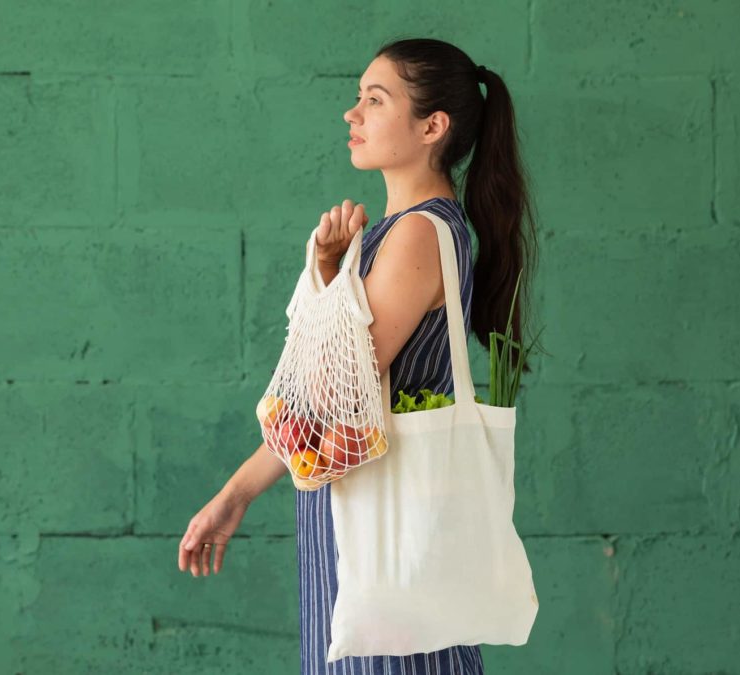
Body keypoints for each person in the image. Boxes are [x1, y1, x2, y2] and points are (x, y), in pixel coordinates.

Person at [178, 36, 539, 674]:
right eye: (357, 99)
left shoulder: (417, 235)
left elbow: (330, 389)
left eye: (375, 100)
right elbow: (330, 391)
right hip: (364, 521)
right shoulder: (394, 234)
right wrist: (330, 272)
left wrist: (321, 280)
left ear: (433, 126)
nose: (353, 115)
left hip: (379, 524)